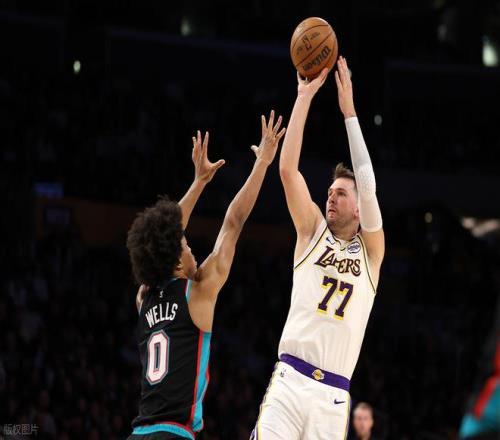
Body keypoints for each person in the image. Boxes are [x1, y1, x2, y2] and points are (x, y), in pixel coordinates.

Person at [126, 112, 286, 440]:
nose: (191, 248)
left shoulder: (144, 298)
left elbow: (162, 233)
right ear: (174, 259)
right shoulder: (197, 292)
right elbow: (233, 222)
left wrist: (199, 182)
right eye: (185, 244)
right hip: (174, 433)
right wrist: (262, 164)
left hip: (139, 433)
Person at [251, 57, 385, 440]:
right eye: (329, 191)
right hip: (290, 379)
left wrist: (350, 114)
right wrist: (304, 96)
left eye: (340, 193)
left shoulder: (371, 253)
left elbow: (368, 185)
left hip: (333, 397)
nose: (330, 196)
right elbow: (287, 171)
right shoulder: (312, 230)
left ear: (359, 209)